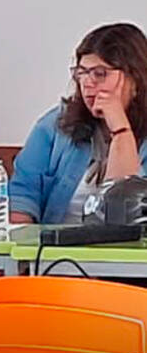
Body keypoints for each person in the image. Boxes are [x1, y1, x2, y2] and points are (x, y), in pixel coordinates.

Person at [10, 22, 147, 224]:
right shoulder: (55, 124)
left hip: (127, 254)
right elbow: (22, 195)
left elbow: (123, 212)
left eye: (100, 73)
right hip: (56, 253)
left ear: (135, 79)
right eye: (81, 72)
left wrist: (120, 129)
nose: (87, 83)